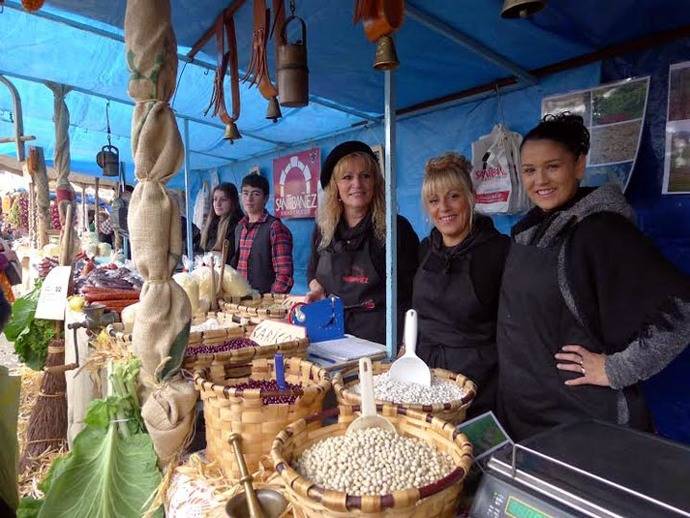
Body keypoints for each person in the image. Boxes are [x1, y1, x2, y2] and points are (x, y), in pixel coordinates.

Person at [496, 113, 690, 441]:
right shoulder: (529, 230)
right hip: (524, 410)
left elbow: (681, 314)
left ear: (579, 165)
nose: (539, 180)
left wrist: (615, 369)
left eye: (553, 166)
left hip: (580, 417)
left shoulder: (601, 231)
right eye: (529, 170)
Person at [413, 153, 510, 416]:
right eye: (434, 200)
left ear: (470, 197)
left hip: (478, 379)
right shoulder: (425, 250)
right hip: (425, 373)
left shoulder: (499, 251)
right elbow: (414, 311)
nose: (443, 208)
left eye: (453, 196)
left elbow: (512, 323)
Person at [306, 141, 419, 345]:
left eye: (365, 176)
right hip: (330, 332)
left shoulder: (396, 228)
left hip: (378, 339)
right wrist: (316, 288)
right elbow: (312, 273)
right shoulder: (323, 228)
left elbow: (412, 293)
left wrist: (405, 344)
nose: (357, 184)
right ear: (335, 186)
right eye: (347, 177)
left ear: (375, 182)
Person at [231, 174, 294, 293]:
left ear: (265, 198)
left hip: (264, 304)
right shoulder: (240, 227)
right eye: (245, 193)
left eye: (256, 194)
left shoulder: (275, 228)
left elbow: (284, 275)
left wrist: (271, 302)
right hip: (240, 300)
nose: (249, 199)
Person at [198, 182, 243, 263]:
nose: (218, 204)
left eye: (223, 200)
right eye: (215, 199)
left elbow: (231, 257)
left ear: (233, 202)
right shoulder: (211, 223)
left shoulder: (237, 225)